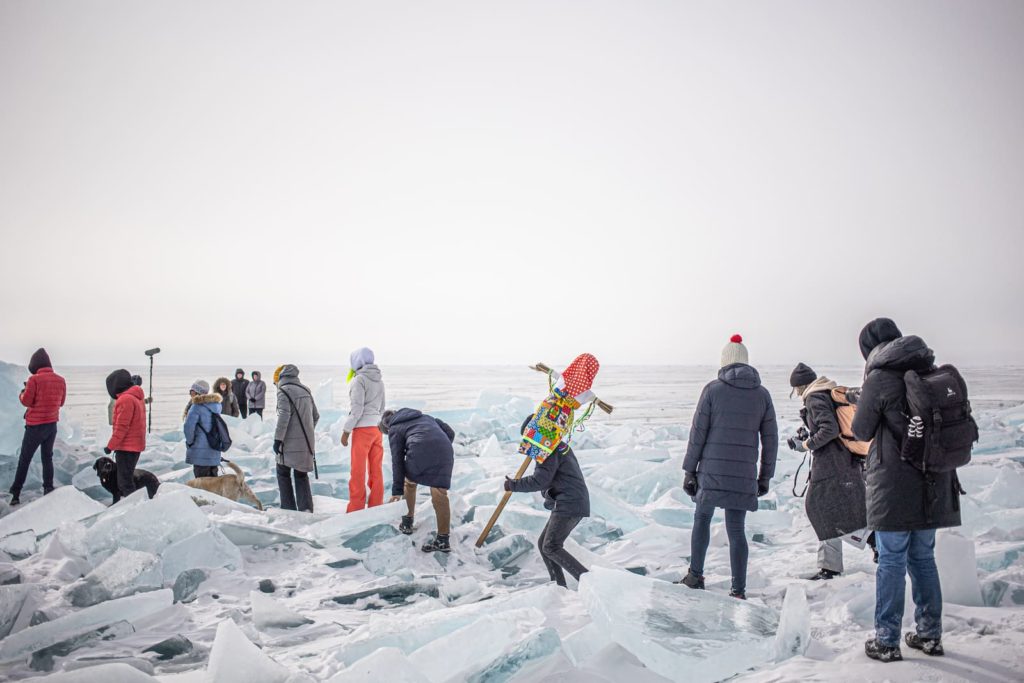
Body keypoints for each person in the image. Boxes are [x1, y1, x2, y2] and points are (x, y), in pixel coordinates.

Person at [853, 318, 963, 662]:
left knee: (891, 561)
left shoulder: (880, 378)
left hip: (895, 488)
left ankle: (886, 641)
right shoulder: (929, 371)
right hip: (934, 482)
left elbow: (861, 430)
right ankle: (930, 635)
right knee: (924, 559)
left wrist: (864, 399)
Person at [680, 334, 778, 600]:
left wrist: (690, 470)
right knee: (736, 530)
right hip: (743, 473)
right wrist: (765, 476)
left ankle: (695, 575)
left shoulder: (713, 390)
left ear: (724, 362)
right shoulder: (763, 395)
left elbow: (697, 433)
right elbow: (770, 440)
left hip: (710, 473)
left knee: (702, 519)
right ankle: (738, 590)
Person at [788, 362, 868, 580]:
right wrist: (808, 434)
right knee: (841, 509)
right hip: (843, 461)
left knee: (819, 508)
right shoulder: (825, 394)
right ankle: (832, 566)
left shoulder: (814, 398)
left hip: (832, 465)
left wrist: (805, 445)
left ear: (799, 387)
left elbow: (829, 430)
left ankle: (873, 545)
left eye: (795, 390)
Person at [505, 414, 591, 587]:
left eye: (529, 437)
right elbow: (551, 478)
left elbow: (540, 480)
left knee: (551, 546)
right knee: (544, 544)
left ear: (537, 434)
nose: (528, 443)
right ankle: (558, 587)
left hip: (570, 502)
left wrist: (513, 485)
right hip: (570, 500)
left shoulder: (548, 451)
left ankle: (590, 582)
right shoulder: (557, 447)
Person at [380, 408, 455, 552]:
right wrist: (439, 447)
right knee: (439, 493)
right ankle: (443, 540)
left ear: (387, 427)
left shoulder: (394, 428)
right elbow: (450, 433)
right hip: (445, 451)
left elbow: (397, 461)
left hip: (420, 450)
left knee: (409, 482)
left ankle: (407, 523)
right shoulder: (426, 416)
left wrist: (396, 491)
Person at [9, 348, 67, 505]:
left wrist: (23, 392)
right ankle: (48, 488)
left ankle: (15, 494)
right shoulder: (61, 380)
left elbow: (26, 401)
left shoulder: (34, 380)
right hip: (51, 426)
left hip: (35, 427)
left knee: (24, 459)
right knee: (47, 457)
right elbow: (61, 402)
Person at [342, 347, 386, 513]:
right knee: (376, 469)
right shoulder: (379, 380)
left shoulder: (359, 380)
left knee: (358, 471)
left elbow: (357, 410)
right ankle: (376, 505)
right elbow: (382, 408)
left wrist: (346, 431)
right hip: (377, 429)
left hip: (362, 430)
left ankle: (355, 508)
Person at [274, 364, 319, 513]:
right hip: (306, 443)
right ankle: (306, 509)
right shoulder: (306, 390)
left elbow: (284, 417)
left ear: (281, 376)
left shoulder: (283, 391)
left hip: (287, 444)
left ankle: (288, 508)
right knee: (301, 475)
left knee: (282, 472)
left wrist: (278, 440)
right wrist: (304, 431)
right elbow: (315, 417)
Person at [104, 368, 147, 501]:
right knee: (126, 479)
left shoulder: (125, 399)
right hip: (134, 446)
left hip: (127, 447)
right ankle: (133, 505)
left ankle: (134, 507)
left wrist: (110, 446)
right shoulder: (136, 397)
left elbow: (122, 427)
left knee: (125, 483)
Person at [183, 380, 223, 478]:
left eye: (192, 392)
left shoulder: (196, 407)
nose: (191, 395)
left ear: (198, 393)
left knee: (202, 487)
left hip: (200, 454)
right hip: (214, 452)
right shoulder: (217, 406)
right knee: (213, 486)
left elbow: (188, 428)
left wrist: (190, 443)